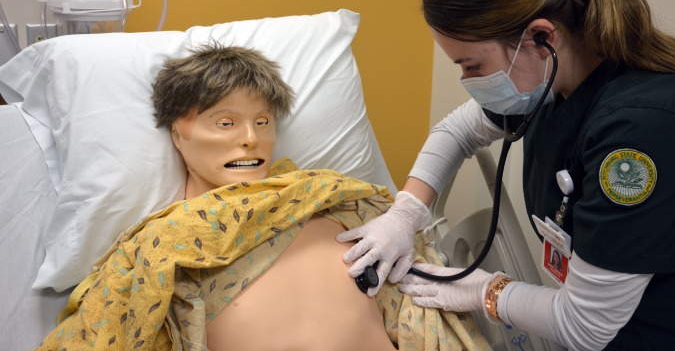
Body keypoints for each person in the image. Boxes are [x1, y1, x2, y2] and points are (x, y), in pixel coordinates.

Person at [338, 0, 675, 350]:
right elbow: (457, 130)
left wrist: (486, 292)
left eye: (472, 65)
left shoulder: (646, 131)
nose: (469, 80)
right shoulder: (552, 78)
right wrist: (406, 213)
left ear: (541, 36)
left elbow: (585, 326)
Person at [37, 44, 490, 350]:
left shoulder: (334, 200)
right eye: (225, 122)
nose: (251, 138)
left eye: (263, 121)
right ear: (179, 131)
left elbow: (418, 308)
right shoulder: (162, 248)